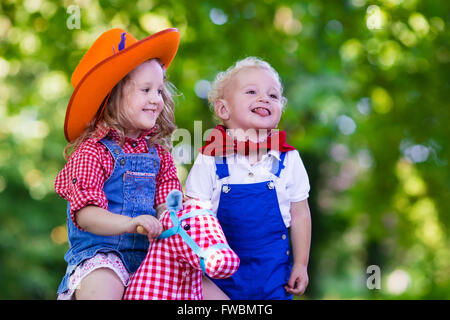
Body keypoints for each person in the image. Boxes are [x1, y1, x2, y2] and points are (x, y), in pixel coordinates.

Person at [55, 28, 182, 300]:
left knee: (202, 289)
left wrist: (174, 218)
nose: (156, 99)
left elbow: (167, 203)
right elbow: (85, 215)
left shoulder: (159, 154)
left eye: (159, 90)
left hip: (150, 257)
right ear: (112, 96)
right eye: (146, 90)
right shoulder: (92, 152)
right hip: (102, 257)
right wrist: (131, 222)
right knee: (104, 288)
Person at [186, 57, 312, 300]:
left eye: (273, 96)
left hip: (274, 282)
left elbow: (300, 214)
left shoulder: (288, 159)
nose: (264, 98)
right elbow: (193, 217)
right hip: (218, 284)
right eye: (252, 91)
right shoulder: (211, 159)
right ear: (224, 109)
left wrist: (301, 264)